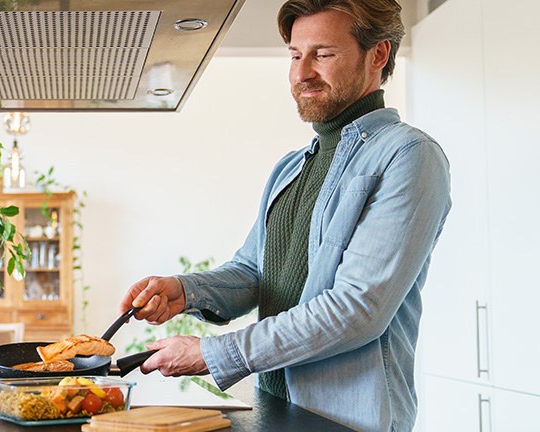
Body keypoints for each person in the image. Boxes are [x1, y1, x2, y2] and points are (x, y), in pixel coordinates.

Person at [117, 1, 451, 431]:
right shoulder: (292, 167)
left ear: (379, 55)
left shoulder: (409, 156)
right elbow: (255, 272)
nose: (301, 73)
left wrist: (213, 353)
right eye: (295, 55)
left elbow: (357, 309)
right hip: (278, 409)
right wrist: (187, 291)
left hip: (350, 422)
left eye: (322, 54)